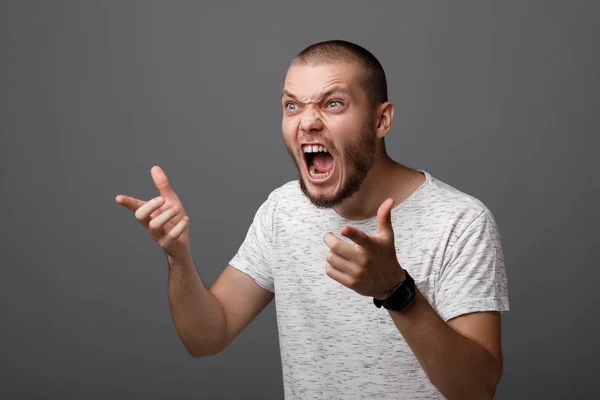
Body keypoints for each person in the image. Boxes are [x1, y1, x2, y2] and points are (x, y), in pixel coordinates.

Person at [116, 40, 509, 399]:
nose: (307, 122)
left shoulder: (460, 222)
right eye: (293, 105)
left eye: (333, 103)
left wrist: (396, 292)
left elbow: (476, 390)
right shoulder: (283, 211)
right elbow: (206, 337)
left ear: (381, 120)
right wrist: (178, 257)